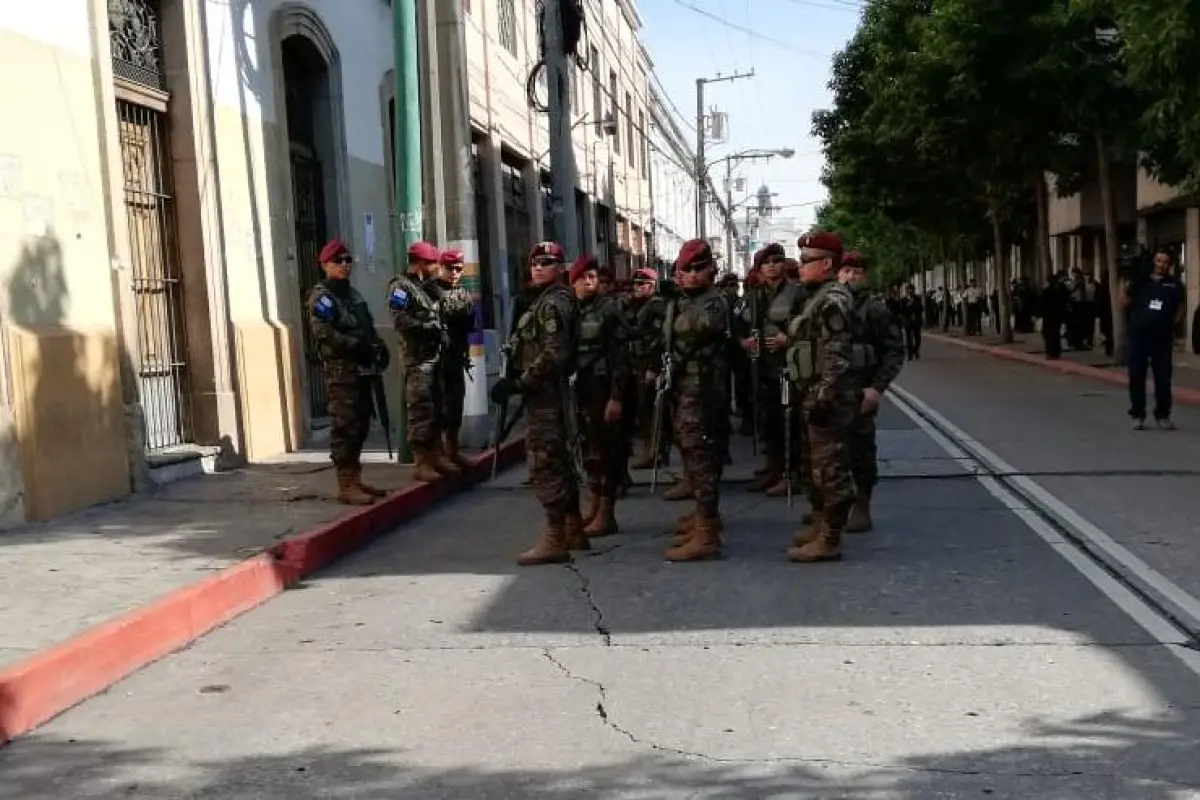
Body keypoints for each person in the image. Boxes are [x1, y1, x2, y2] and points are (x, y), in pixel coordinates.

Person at [490, 242, 586, 565]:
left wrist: (520, 382)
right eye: (535, 262)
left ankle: (556, 536)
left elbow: (553, 354)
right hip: (545, 392)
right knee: (560, 460)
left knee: (545, 461)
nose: (539, 267)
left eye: (548, 262)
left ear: (561, 267)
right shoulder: (546, 300)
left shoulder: (553, 303)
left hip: (546, 394)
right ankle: (574, 528)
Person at [656, 239, 731, 562]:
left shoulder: (714, 301)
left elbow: (702, 326)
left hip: (703, 392)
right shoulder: (690, 299)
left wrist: (680, 301)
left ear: (707, 270)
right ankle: (703, 520)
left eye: (690, 271)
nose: (683, 277)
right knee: (694, 454)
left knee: (701, 458)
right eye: (681, 271)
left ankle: (708, 533)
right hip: (687, 388)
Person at [786, 231, 857, 563]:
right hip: (813, 392)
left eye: (805, 261)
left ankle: (830, 538)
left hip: (828, 397)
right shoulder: (817, 295)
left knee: (831, 471)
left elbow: (836, 355)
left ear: (826, 264)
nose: (799, 267)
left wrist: (823, 396)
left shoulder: (833, 300)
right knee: (815, 468)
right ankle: (820, 524)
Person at [306, 239, 390, 505]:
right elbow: (325, 334)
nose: (344, 266)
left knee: (361, 424)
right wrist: (356, 345)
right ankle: (345, 482)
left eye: (347, 261)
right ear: (324, 265)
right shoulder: (322, 297)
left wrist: (378, 346)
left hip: (362, 370)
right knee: (345, 426)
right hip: (341, 372)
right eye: (337, 262)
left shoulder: (353, 294)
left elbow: (366, 326)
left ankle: (355, 477)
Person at [838, 251, 905, 532]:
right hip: (831, 389)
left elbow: (893, 351)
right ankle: (832, 507)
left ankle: (862, 505)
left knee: (860, 451)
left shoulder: (874, 309)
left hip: (859, 390)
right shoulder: (827, 304)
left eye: (856, 272)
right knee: (829, 453)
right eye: (846, 271)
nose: (851, 276)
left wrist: (876, 389)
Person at [388, 241, 461, 481]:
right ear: (421, 264)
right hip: (417, 360)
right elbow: (401, 321)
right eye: (432, 264)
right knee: (420, 411)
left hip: (435, 358)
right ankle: (421, 461)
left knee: (437, 408)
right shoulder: (401, 287)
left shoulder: (426, 288)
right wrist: (430, 328)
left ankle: (436, 455)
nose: (436, 268)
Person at [570, 255, 629, 536]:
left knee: (608, 452)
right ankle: (594, 506)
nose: (589, 281)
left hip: (604, 387)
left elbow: (620, 356)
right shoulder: (571, 310)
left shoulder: (609, 309)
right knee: (589, 451)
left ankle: (607, 512)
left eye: (592, 276)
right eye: (583, 277)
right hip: (580, 388)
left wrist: (616, 397)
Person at [1121, 247, 1184, 430]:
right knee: (1136, 375)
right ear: (1153, 261)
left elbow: (1181, 307)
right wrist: (1123, 279)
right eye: (1159, 261)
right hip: (1139, 336)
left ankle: (1163, 415)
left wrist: (1171, 324)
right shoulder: (1140, 281)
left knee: (1163, 378)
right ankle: (1138, 415)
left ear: (1170, 264)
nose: (1162, 265)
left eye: (1165, 262)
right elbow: (1123, 302)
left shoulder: (1175, 285)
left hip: (1162, 338)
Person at [436, 249, 477, 467]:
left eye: (458, 269)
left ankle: (453, 449)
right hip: (436, 361)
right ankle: (439, 453)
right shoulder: (433, 291)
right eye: (450, 268)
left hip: (455, 357)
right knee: (439, 408)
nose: (454, 273)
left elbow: (470, 324)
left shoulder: (463, 293)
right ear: (441, 267)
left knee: (455, 405)